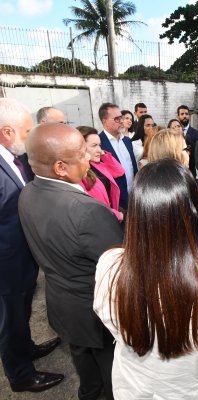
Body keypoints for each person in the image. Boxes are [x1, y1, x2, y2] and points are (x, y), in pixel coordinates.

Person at [94, 159, 198, 400]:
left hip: (134, 390)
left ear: (136, 212)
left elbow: (109, 322)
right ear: (194, 213)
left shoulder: (109, 265)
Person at [19, 123, 124, 400]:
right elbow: (121, 267)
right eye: (81, 153)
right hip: (95, 312)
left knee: (81, 357)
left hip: (62, 304)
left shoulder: (27, 193)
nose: (89, 157)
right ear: (60, 168)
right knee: (112, 370)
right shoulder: (88, 211)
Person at [0, 98, 63, 393]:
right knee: (9, 322)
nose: (30, 138)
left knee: (21, 314)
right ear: (8, 132)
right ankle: (21, 375)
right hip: (5, 268)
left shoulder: (15, 158)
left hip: (21, 261)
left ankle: (27, 347)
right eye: (27, 132)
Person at [148, 128, 198, 239]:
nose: (188, 153)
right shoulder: (193, 186)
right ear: (174, 153)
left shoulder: (141, 183)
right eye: (185, 149)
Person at [77, 126, 125, 221]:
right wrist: (118, 215)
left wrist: (103, 154)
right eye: (94, 145)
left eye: (99, 145)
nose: (99, 149)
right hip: (101, 219)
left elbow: (119, 171)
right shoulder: (78, 173)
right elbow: (92, 205)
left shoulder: (98, 165)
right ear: (80, 147)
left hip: (110, 215)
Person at [98, 102, 138, 210]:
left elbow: (133, 168)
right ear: (104, 121)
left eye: (121, 117)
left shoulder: (127, 141)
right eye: (116, 119)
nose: (121, 121)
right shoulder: (98, 143)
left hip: (134, 196)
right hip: (116, 202)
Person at [177, 105, 198, 177]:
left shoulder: (196, 133)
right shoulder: (172, 133)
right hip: (176, 170)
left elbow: (197, 154)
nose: (185, 116)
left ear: (189, 116)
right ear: (178, 116)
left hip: (190, 171)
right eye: (182, 114)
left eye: (186, 114)